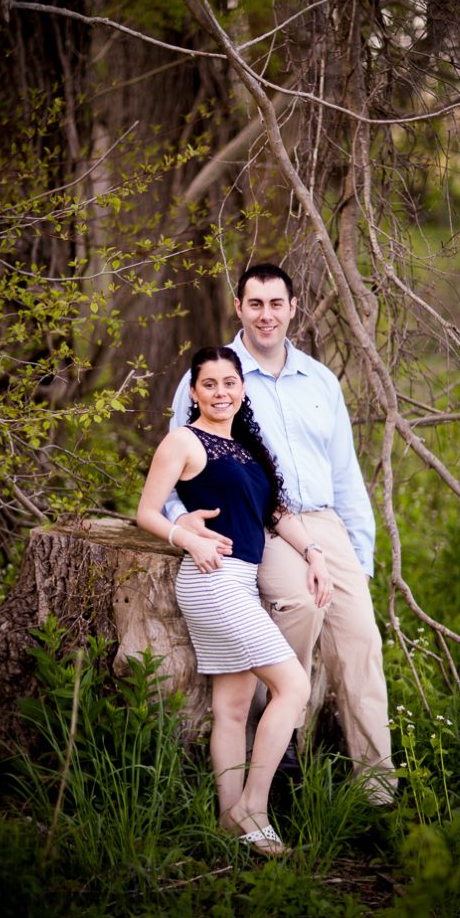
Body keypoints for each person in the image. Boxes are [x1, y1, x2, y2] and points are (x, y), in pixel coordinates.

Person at [165, 264, 396, 805]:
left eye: (276, 303)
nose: (266, 314)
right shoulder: (217, 376)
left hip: (325, 525)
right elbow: (178, 458)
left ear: (293, 308)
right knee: (298, 604)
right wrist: (182, 523)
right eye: (255, 304)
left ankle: (379, 792)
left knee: (362, 643)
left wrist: (358, 555)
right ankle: (280, 743)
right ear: (239, 309)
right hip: (264, 523)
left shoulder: (320, 380)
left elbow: (345, 475)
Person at [136, 345, 333, 855]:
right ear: (194, 391)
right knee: (293, 687)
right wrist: (189, 538)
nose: (221, 393)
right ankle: (254, 807)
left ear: (241, 389)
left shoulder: (246, 447)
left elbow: (275, 513)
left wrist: (313, 553)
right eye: (209, 384)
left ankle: (228, 820)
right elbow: (147, 512)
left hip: (240, 580)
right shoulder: (183, 441)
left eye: (229, 383)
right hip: (212, 580)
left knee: (233, 706)